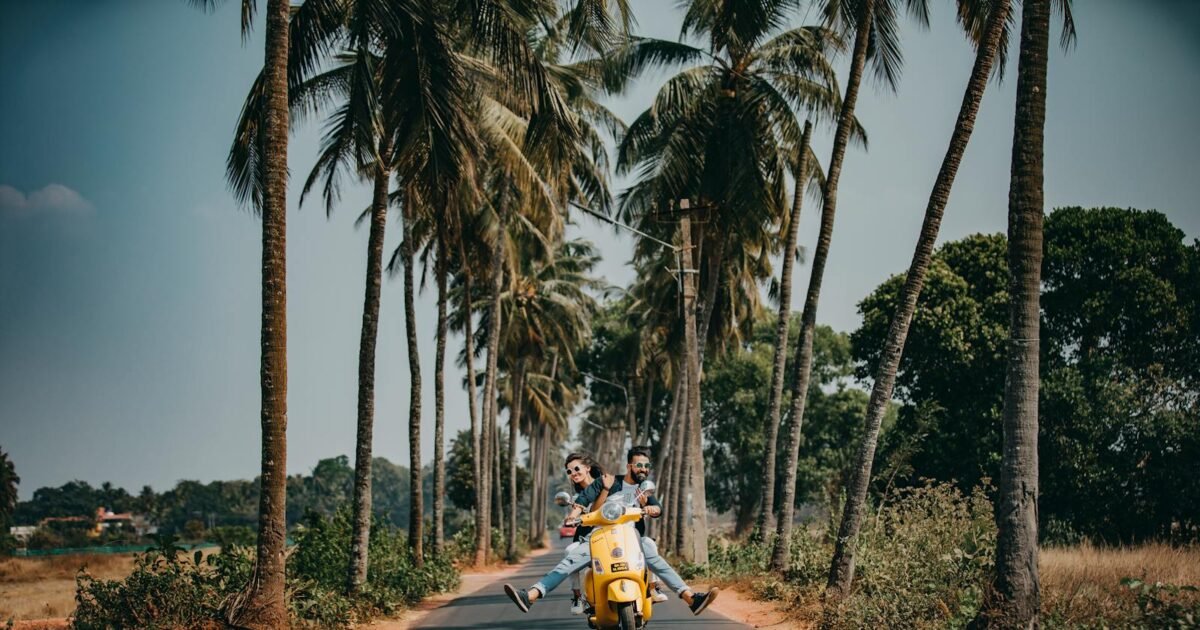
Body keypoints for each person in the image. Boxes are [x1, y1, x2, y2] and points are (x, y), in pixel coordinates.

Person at [504, 446, 719, 616]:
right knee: (569, 560)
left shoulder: (642, 489)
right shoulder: (605, 482)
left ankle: (690, 598)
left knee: (652, 551)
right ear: (629, 466)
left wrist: (652, 508)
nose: (642, 468)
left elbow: (656, 507)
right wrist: (572, 515)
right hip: (599, 538)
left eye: (646, 465)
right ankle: (531, 595)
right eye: (638, 465)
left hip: (631, 537)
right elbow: (582, 502)